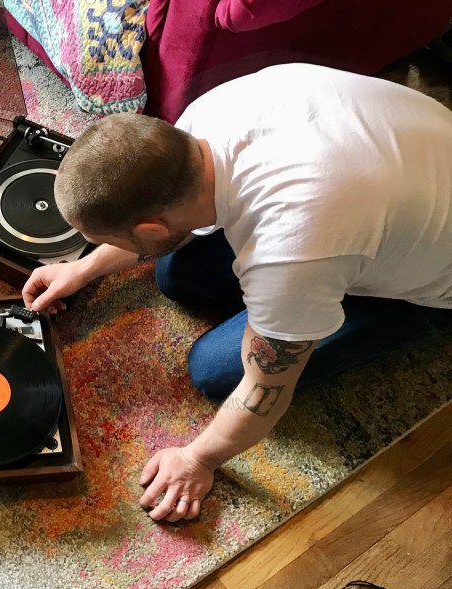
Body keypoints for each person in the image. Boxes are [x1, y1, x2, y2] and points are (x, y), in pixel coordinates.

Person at [22, 63, 452, 523]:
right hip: (403, 176)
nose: (114, 250)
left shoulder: (291, 251)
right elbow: (172, 230)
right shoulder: (203, 120)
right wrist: (85, 267)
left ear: (149, 227)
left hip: (433, 282)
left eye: (123, 240)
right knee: (174, 275)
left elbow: (267, 387)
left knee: (213, 370)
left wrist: (197, 460)